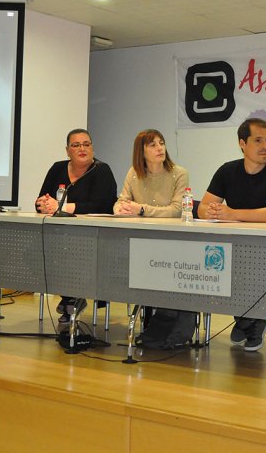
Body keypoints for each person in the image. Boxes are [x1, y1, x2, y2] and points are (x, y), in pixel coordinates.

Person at [198, 118, 266, 351]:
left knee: (249, 265)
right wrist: (213, 211)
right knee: (214, 263)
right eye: (258, 140)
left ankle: (254, 319)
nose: (265, 146)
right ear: (242, 143)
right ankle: (244, 318)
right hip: (235, 245)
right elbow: (201, 208)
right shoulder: (227, 170)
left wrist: (232, 214)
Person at [113, 129, 195, 349]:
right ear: (141, 151)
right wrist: (120, 208)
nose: (160, 148)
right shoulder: (134, 173)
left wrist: (141, 210)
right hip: (144, 243)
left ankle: (170, 325)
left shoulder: (179, 173)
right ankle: (156, 324)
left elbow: (178, 210)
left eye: (162, 143)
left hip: (175, 245)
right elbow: (121, 200)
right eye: (153, 145)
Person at [35, 128, 117, 323]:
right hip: (60, 235)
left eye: (86, 144)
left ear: (93, 148)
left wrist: (62, 206)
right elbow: (43, 197)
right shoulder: (57, 168)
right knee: (34, 251)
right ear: (67, 150)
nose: (82, 148)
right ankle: (69, 296)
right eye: (76, 145)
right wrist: (42, 204)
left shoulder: (101, 170)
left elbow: (103, 205)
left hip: (92, 236)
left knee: (70, 253)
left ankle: (74, 296)